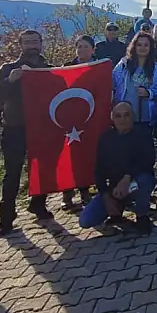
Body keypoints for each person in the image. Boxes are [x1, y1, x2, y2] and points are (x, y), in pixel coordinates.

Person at [0, 30, 54, 236]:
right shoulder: (8, 68)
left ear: (41, 43)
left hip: (42, 128)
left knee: (42, 169)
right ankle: (6, 218)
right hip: (15, 128)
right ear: (20, 45)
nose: (32, 45)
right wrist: (10, 80)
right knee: (12, 174)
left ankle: (38, 204)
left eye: (35, 41)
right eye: (27, 42)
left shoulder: (48, 69)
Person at [78, 102, 154, 234]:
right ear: (112, 118)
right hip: (114, 191)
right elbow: (99, 171)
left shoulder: (144, 135)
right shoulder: (105, 138)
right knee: (85, 221)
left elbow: (148, 161)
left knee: (146, 180)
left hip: (134, 185)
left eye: (126, 115)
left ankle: (142, 216)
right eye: (118, 116)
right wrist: (106, 197)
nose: (122, 119)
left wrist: (127, 178)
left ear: (133, 117)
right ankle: (116, 213)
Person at [60, 35, 96, 210]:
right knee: (69, 155)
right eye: (79, 46)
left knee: (86, 155)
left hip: (90, 117)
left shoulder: (99, 67)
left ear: (93, 49)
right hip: (70, 119)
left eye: (86, 46)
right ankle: (67, 193)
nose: (82, 50)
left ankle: (85, 190)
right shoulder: (66, 68)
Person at [112, 32, 157, 126]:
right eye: (139, 45)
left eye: (146, 45)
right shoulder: (123, 65)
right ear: (134, 46)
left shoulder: (156, 68)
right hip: (124, 116)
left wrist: (148, 93)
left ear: (150, 48)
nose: (142, 48)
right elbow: (113, 84)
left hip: (145, 117)